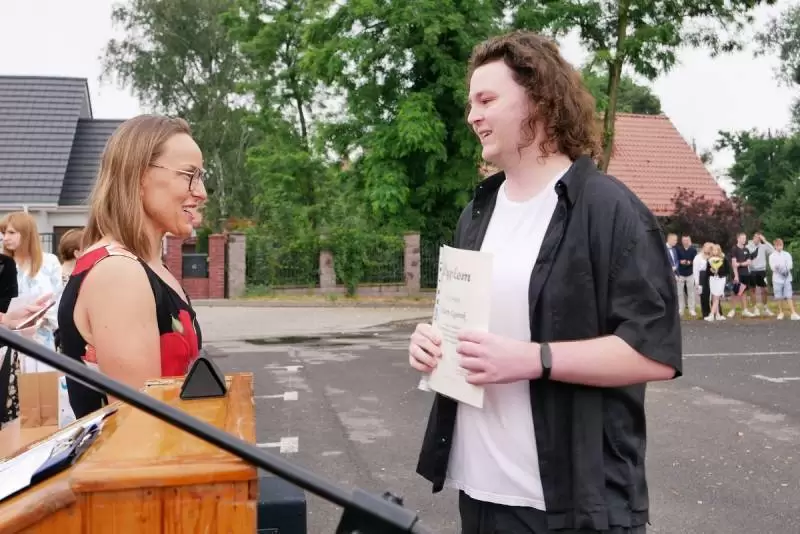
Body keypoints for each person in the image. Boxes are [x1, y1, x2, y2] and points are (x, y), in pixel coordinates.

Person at [409, 31, 682, 534]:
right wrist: (432, 345)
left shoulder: (609, 210)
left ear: (538, 99)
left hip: (570, 507)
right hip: (480, 492)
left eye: (487, 100)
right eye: (471, 103)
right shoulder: (477, 212)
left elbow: (655, 353)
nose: (472, 116)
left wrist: (535, 359)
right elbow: (469, 325)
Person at [58, 114, 207, 419]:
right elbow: (140, 424)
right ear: (139, 176)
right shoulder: (119, 273)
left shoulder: (147, 266)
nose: (201, 192)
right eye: (189, 175)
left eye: (201, 176)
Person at [0, 212, 63, 369]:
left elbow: (58, 300)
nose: (5, 238)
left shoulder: (49, 262)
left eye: (11, 232)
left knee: (41, 382)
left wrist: (39, 318)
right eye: (3, 233)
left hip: (41, 338)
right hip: (6, 339)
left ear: (27, 233)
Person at [768, 238, 799, 320]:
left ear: (782, 245)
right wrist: (780, 270)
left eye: (781, 245)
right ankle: (781, 312)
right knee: (778, 296)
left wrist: (785, 270)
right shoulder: (772, 256)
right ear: (775, 246)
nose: (779, 247)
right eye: (777, 245)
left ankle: (793, 313)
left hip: (787, 278)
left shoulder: (787, 254)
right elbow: (773, 267)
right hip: (777, 279)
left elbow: (790, 265)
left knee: (789, 295)